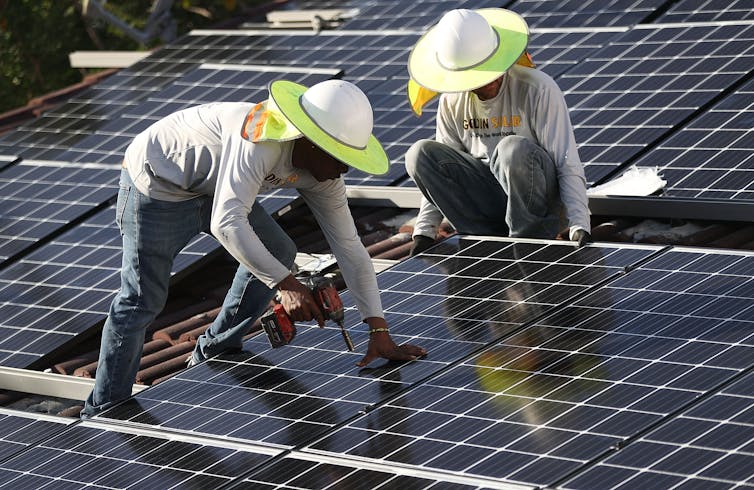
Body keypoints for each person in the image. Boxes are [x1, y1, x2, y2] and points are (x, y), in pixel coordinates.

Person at [81, 79, 427, 418]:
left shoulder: (326, 175)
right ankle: (104, 409)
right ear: (308, 141)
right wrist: (286, 286)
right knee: (143, 299)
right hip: (159, 183)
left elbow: (350, 247)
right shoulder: (260, 140)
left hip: (217, 185)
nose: (344, 168)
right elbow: (227, 223)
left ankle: (215, 348)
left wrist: (378, 329)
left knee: (279, 250)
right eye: (339, 156)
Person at [404, 8, 591, 256]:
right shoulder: (452, 101)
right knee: (419, 154)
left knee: (511, 149)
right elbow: (443, 172)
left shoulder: (537, 88)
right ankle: (483, 241)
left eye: (491, 70)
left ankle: (526, 243)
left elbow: (566, 163)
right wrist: (424, 232)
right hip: (490, 200)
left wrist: (579, 224)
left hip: (539, 202)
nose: (488, 81)